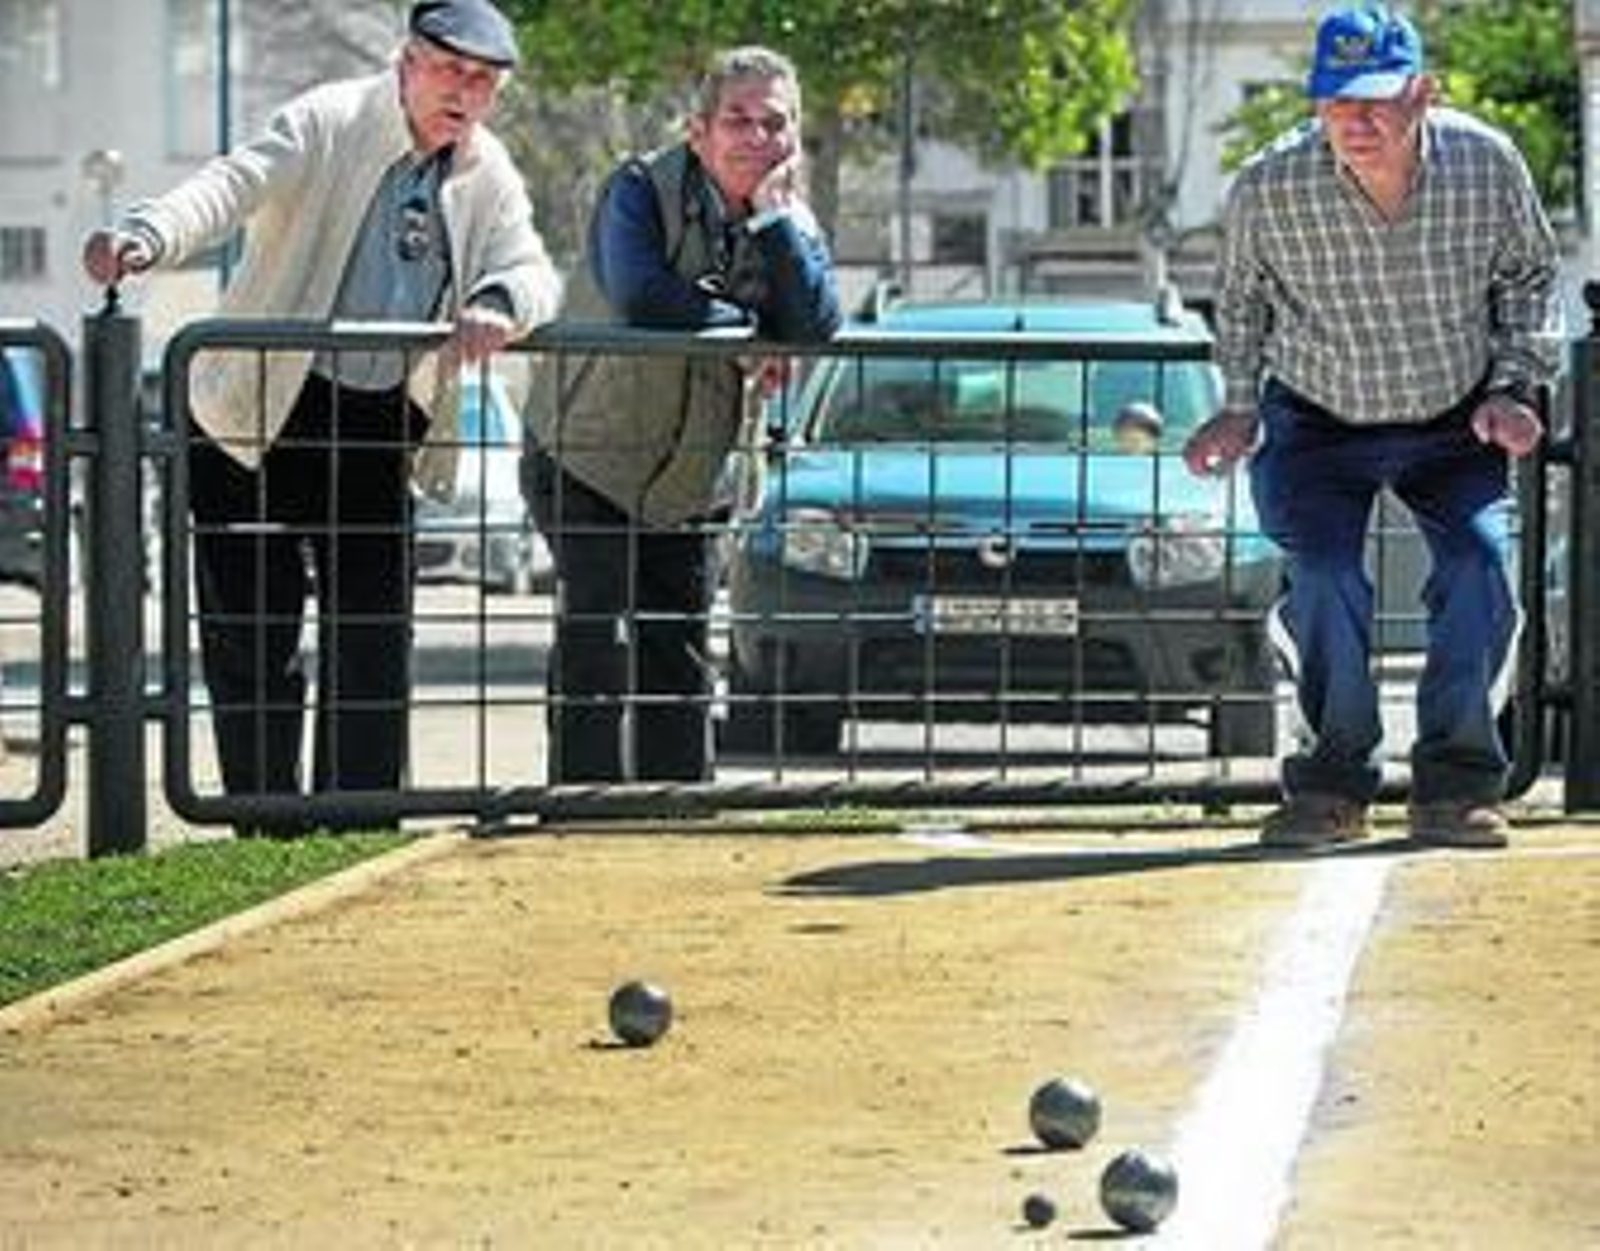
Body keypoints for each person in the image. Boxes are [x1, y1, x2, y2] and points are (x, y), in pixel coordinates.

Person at [82, 0, 562, 826]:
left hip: (377, 422)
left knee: (373, 636)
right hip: (257, 411)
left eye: (484, 82)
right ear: (407, 62)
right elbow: (231, 185)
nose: (466, 94)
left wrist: (498, 298)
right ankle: (265, 820)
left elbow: (530, 266)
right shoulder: (330, 118)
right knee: (253, 635)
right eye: (451, 71)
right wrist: (148, 234)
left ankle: (359, 817)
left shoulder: (487, 169)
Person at [1182, 4, 1564, 851]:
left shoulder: (1486, 163)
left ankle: (1456, 781)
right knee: (1321, 575)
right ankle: (1331, 782)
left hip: (1453, 413)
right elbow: (1242, 303)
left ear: (1422, 92)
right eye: (1335, 99)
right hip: (1317, 414)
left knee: (1479, 566)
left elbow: (1532, 275)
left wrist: (1515, 386)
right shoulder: (1268, 185)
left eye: (1376, 99)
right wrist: (1241, 404)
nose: (1355, 119)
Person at [523, 45, 841, 784]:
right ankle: (579, 809)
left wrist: (773, 223)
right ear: (699, 130)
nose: (757, 138)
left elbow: (817, 322)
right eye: (738, 119)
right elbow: (643, 296)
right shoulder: (636, 188)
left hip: (697, 477)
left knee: (682, 651)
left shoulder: (789, 217)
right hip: (586, 456)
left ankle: (673, 811)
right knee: (594, 640)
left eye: (775, 122)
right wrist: (749, 333)